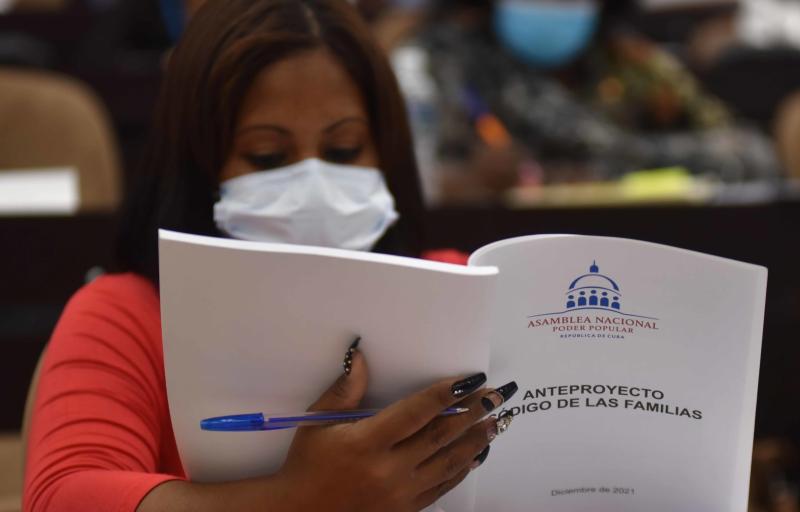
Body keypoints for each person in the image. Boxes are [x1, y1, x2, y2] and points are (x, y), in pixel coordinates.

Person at [22, 0, 517, 510]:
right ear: (196, 165)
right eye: (267, 157)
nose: (313, 183)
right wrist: (296, 500)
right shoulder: (126, 314)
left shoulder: (460, 283)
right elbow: (65, 495)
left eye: (344, 149)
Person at [389, 0, 782, 204]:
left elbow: (754, 154)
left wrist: (609, 171)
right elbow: (418, 182)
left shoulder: (630, 62)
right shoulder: (442, 64)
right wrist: (470, 183)